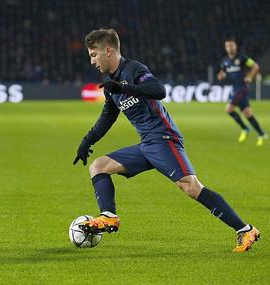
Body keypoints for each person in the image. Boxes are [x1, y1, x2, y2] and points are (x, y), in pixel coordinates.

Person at [73, 28, 259, 252]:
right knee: (98, 166)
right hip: (147, 145)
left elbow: (158, 90)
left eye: (94, 55)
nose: (92, 61)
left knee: (191, 187)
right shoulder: (110, 84)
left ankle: (245, 229)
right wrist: (86, 142)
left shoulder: (133, 69)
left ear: (109, 51)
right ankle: (109, 216)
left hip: (163, 139)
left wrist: (125, 87)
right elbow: (106, 119)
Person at [217, 37, 267, 146]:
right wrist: (220, 76)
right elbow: (222, 72)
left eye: (232, 45)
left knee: (229, 109)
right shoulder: (225, 61)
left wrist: (250, 76)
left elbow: (255, 66)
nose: (230, 48)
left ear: (235, 46)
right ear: (225, 48)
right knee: (247, 114)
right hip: (234, 88)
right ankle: (262, 134)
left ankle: (245, 128)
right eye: (228, 46)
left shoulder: (242, 58)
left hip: (242, 88)